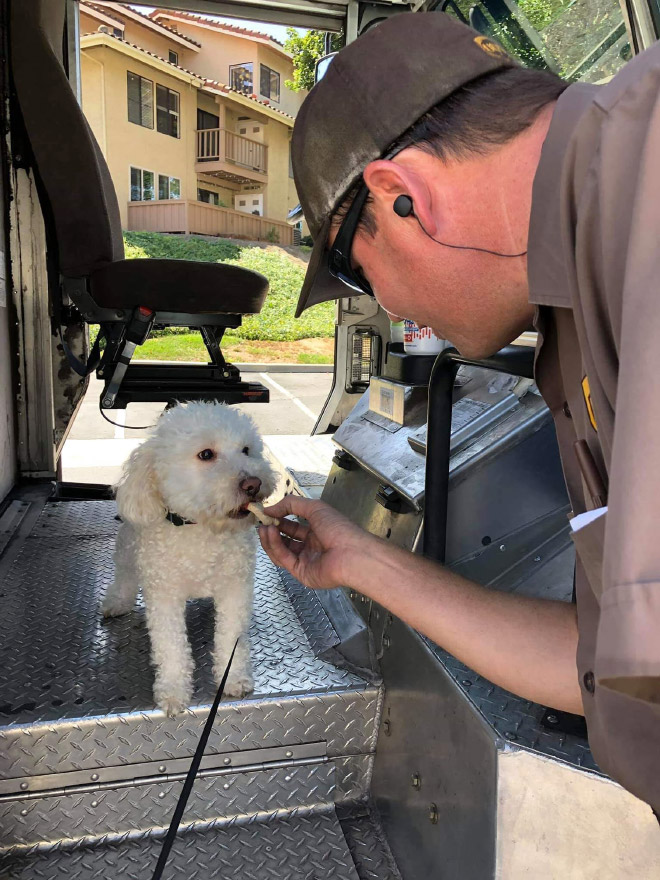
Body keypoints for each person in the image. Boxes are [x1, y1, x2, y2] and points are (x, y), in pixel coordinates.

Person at [259, 12, 660, 816]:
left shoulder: (641, 207)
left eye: (362, 277)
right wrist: (358, 560)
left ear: (402, 197)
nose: (391, 307)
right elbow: (613, 665)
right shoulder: (576, 299)